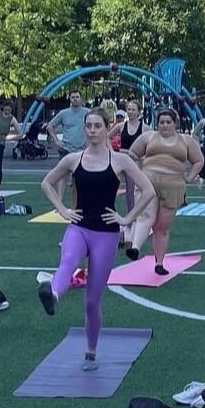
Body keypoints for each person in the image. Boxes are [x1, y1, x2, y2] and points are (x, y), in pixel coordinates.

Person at [38, 111, 156, 368]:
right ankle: (54, 295)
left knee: (92, 300)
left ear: (106, 129)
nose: (92, 130)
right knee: (67, 261)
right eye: (88, 126)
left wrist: (128, 219)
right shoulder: (73, 159)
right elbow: (47, 183)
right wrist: (62, 209)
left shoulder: (120, 160)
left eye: (97, 126)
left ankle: (91, 350)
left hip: (106, 234)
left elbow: (148, 190)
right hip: (79, 227)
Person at [128, 108, 203, 274]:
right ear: (158, 123)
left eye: (168, 122)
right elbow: (132, 153)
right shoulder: (148, 137)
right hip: (148, 182)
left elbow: (199, 161)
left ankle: (159, 263)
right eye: (162, 122)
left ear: (174, 123)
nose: (165, 125)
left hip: (173, 186)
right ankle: (135, 248)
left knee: (162, 227)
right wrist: (139, 171)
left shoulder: (186, 141)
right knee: (146, 216)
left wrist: (190, 177)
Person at [117, 99, 149, 220]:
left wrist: (144, 156)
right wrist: (115, 151)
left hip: (135, 164)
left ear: (138, 112)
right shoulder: (121, 126)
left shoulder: (144, 128)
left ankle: (135, 218)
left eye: (133, 110)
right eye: (128, 109)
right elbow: (106, 137)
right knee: (111, 187)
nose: (130, 112)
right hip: (121, 162)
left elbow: (154, 141)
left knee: (133, 192)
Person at [47, 90, 89, 155]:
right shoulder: (63, 113)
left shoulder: (88, 112)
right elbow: (50, 126)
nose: (75, 99)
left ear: (81, 99)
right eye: (73, 97)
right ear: (70, 99)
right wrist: (56, 141)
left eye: (77, 97)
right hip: (66, 150)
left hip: (83, 150)